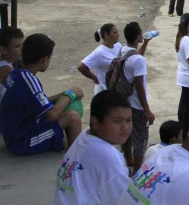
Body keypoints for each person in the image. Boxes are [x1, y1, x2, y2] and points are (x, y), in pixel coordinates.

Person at [0, 33, 83, 155]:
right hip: (21, 141)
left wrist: (63, 94)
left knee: (63, 138)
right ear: (44, 60)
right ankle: (77, 161)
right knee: (72, 117)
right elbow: (52, 115)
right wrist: (70, 94)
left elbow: (39, 103)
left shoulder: (18, 73)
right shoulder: (28, 80)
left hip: (14, 134)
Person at [51, 90, 132, 205]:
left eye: (129, 120)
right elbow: (124, 200)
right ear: (95, 123)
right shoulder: (108, 156)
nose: (125, 127)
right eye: (117, 121)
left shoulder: (85, 136)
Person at [120, 21, 155, 173]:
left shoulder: (122, 50)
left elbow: (135, 57)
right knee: (140, 138)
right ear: (137, 36)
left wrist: (145, 43)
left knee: (126, 134)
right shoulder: (139, 61)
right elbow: (140, 86)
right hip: (136, 104)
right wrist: (147, 110)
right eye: (141, 33)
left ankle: (129, 161)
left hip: (124, 101)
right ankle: (138, 172)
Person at [77, 23, 122, 95]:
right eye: (115, 33)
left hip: (116, 89)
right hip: (104, 92)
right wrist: (95, 79)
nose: (118, 35)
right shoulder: (99, 52)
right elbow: (81, 67)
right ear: (107, 35)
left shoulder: (118, 45)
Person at [0, 26, 24, 103]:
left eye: (22, 45)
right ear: (3, 50)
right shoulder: (7, 70)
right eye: (17, 46)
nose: (22, 49)